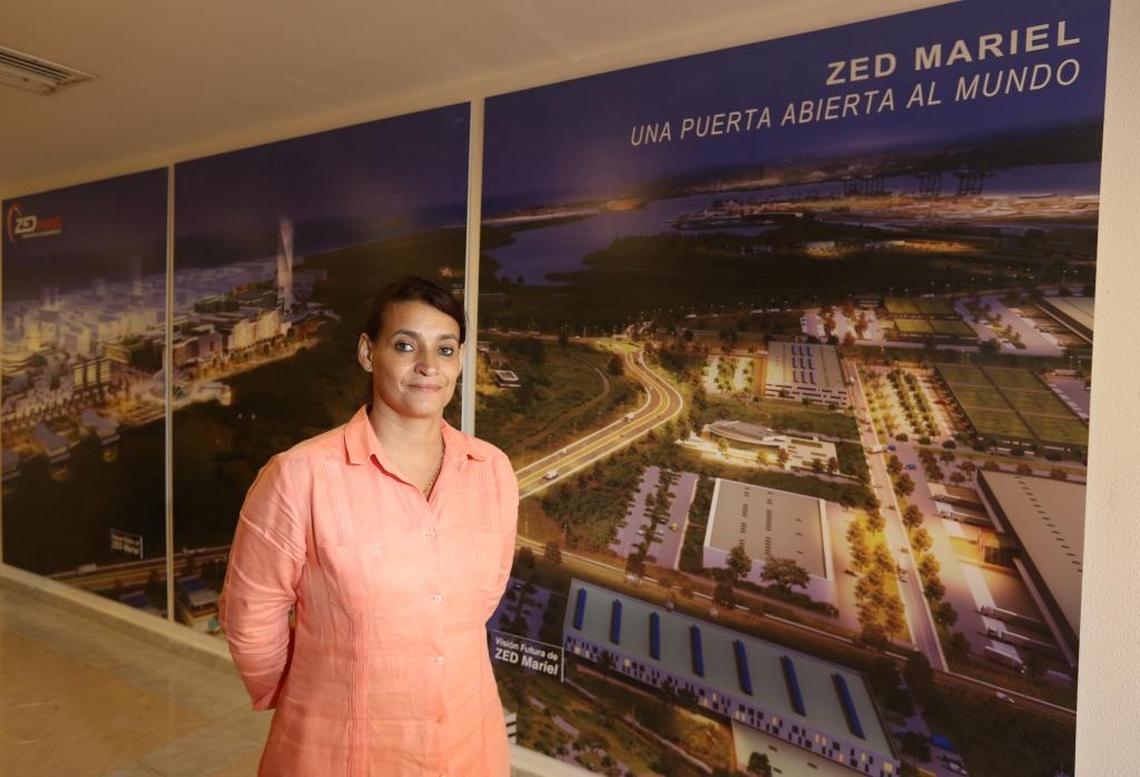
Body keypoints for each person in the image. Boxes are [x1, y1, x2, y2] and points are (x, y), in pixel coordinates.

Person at [219, 275, 518, 776]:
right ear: (367, 353)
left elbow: (478, 602)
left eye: (445, 350)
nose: (428, 367)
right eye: (406, 345)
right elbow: (251, 618)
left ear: (461, 361)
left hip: (467, 742)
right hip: (343, 747)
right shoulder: (301, 475)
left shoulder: (491, 470)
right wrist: (313, 689)